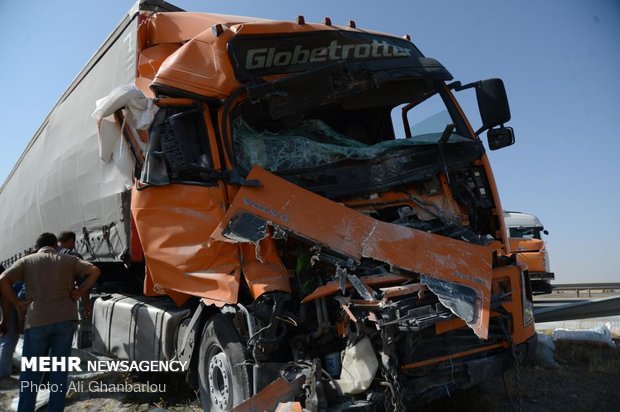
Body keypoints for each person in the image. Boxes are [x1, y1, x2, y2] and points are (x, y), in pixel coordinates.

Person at [0, 232, 100, 412]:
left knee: (32, 371)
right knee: (59, 370)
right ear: (55, 245)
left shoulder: (27, 261)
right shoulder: (69, 260)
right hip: (65, 320)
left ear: (38, 247)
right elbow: (94, 270)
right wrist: (80, 291)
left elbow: (3, 280)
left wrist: (17, 302)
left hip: (37, 321)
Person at [0, 263, 25, 379]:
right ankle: (3, 373)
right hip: (5, 311)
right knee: (8, 340)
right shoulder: (4, 283)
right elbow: (6, 300)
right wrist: (5, 320)